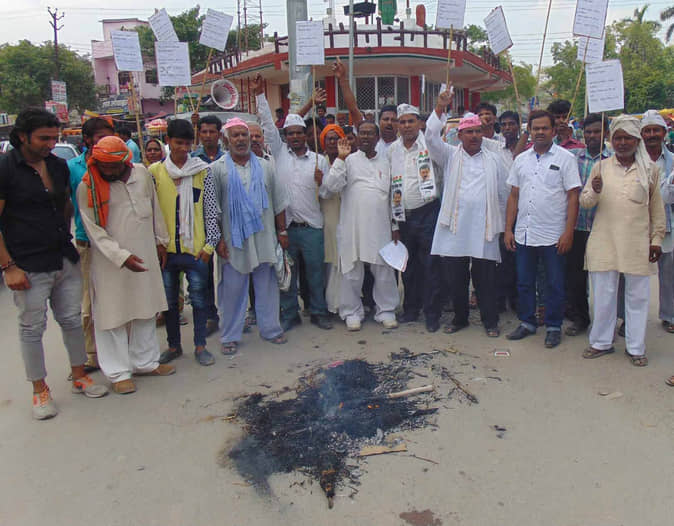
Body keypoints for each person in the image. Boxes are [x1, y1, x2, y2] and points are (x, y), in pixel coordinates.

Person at [0, 108, 108, 419]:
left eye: (54, 138)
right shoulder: (5, 169)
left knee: (72, 320)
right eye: (43, 138)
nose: (50, 144)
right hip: (27, 263)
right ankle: (40, 390)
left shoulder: (57, 166)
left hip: (63, 256)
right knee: (32, 328)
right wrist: (9, 267)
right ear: (23, 137)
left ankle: (80, 376)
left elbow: (64, 206)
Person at [78, 136, 174, 393]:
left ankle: (145, 362)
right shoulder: (87, 187)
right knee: (112, 315)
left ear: (125, 161)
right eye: (103, 166)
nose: (108, 171)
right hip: (110, 262)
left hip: (145, 252)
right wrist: (121, 257)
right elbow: (94, 230)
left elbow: (154, 208)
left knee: (146, 307)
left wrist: (161, 241)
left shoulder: (141, 174)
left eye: (113, 166)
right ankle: (118, 373)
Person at [579, 115, 665, 367]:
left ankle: (636, 348)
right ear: (611, 140)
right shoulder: (601, 167)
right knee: (603, 297)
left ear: (637, 140)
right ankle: (601, 343)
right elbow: (585, 202)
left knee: (637, 298)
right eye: (618, 138)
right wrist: (595, 190)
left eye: (628, 138)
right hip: (604, 242)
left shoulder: (650, 169)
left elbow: (657, 209)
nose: (623, 142)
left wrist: (657, 239)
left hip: (637, 243)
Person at [253, 74, 333, 331]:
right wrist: (259, 95)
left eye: (299, 133)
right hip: (286, 229)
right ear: (285, 136)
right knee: (287, 273)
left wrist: (323, 181)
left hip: (312, 229)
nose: (295, 137)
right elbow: (267, 125)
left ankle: (318, 311)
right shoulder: (279, 154)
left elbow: (327, 195)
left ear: (306, 135)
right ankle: (290, 313)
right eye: (291, 133)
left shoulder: (319, 160)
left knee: (316, 274)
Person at [426, 99, 509, 337]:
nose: (474, 136)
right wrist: (439, 108)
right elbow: (430, 137)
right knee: (456, 278)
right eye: (469, 132)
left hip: (484, 228)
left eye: (478, 131)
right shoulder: (449, 155)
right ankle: (460, 318)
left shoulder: (494, 159)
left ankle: (490, 321)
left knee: (486, 279)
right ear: (460, 135)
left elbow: (503, 193)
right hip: (455, 228)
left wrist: (504, 226)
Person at [210, 118, 289, 354]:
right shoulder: (217, 169)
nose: (241, 140)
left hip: (264, 236)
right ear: (226, 140)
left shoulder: (266, 166)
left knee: (267, 286)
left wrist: (282, 231)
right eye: (235, 136)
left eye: (244, 135)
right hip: (233, 240)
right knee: (232, 290)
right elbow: (213, 210)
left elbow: (279, 201)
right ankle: (229, 336)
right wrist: (218, 241)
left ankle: (271, 329)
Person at [504, 110, 581, 348]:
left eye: (544, 128)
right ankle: (527, 322)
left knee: (554, 284)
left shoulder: (566, 159)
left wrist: (568, 232)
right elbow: (514, 196)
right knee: (524, 282)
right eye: (535, 128)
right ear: (529, 131)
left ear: (553, 131)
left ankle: (554, 326)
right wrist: (508, 229)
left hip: (553, 235)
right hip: (524, 233)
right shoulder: (521, 160)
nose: (539, 132)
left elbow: (573, 197)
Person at [150, 119, 218, 367]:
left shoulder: (202, 171)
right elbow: (151, 212)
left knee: (199, 300)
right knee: (169, 303)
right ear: (168, 141)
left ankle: (200, 345)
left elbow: (211, 211)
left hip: (196, 250)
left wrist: (209, 246)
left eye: (188, 144)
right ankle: (173, 346)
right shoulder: (155, 173)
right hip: (166, 251)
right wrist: (156, 244)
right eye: (178, 143)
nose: (183, 149)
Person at [325, 124, 399, 330]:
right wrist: (340, 158)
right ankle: (351, 311)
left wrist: (395, 225)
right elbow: (330, 186)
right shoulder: (348, 160)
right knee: (351, 270)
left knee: (384, 270)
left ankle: (386, 310)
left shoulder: (386, 161)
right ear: (357, 137)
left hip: (381, 225)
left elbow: (393, 196)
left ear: (377, 137)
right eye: (362, 133)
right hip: (352, 226)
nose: (365, 136)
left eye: (370, 133)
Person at [387, 103, 443, 332]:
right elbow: (390, 186)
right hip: (403, 216)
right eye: (402, 122)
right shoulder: (392, 150)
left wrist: (440, 105)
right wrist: (393, 222)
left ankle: (432, 314)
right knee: (408, 267)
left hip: (428, 212)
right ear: (397, 125)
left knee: (431, 266)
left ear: (420, 123)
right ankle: (411, 309)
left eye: (411, 121)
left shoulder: (430, 145)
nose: (407, 126)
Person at [68, 117, 115, 371]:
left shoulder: (119, 163)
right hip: (86, 241)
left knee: (117, 297)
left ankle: (121, 350)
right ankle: (91, 353)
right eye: (100, 138)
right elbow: (66, 203)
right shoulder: (73, 168)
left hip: (116, 240)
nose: (106, 142)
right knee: (88, 301)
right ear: (87, 141)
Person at [564, 113, 611, 336]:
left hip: (604, 228)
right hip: (577, 227)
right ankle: (580, 318)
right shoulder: (572, 157)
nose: (592, 136)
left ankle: (607, 323)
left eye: (597, 131)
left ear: (606, 133)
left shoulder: (613, 159)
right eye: (588, 132)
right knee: (575, 277)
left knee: (604, 279)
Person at [639, 110, 674, 334]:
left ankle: (670, 315)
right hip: (637, 224)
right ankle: (627, 318)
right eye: (647, 130)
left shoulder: (672, 161)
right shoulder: (633, 159)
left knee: (669, 272)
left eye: (656, 130)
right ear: (641, 134)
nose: (652, 134)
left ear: (664, 133)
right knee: (633, 274)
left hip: (667, 224)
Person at [191, 115, 223, 336]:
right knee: (204, 273)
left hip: (228, 222)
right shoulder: (193, 160)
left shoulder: (229, 157)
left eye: (212, 131)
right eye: (204, 131)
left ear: (219, 134)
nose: (208, 135)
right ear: (199, 134)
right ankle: (210, 315)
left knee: (235, 271)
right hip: (203, 225)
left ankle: (241, 313)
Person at [495, 111, 522, 312]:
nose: (507, 128)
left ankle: (518, 300)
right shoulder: (495, 149)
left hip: (525, 213)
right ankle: (501, 299)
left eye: (511, 124)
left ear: (518, 126)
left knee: (521, 261)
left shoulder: (530, 149)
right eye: (503, 124)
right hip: (502, 212)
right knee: (502, 260)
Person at [319, 123, 347, 314]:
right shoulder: (318, 162)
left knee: (343, 260)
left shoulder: (348, 161)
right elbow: (325, 192)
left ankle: (344, 303)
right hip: (327, 215)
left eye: (336, 138)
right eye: (328, 139)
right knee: (329, 261)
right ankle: (330, 304)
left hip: (344, 214)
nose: (332, 142)